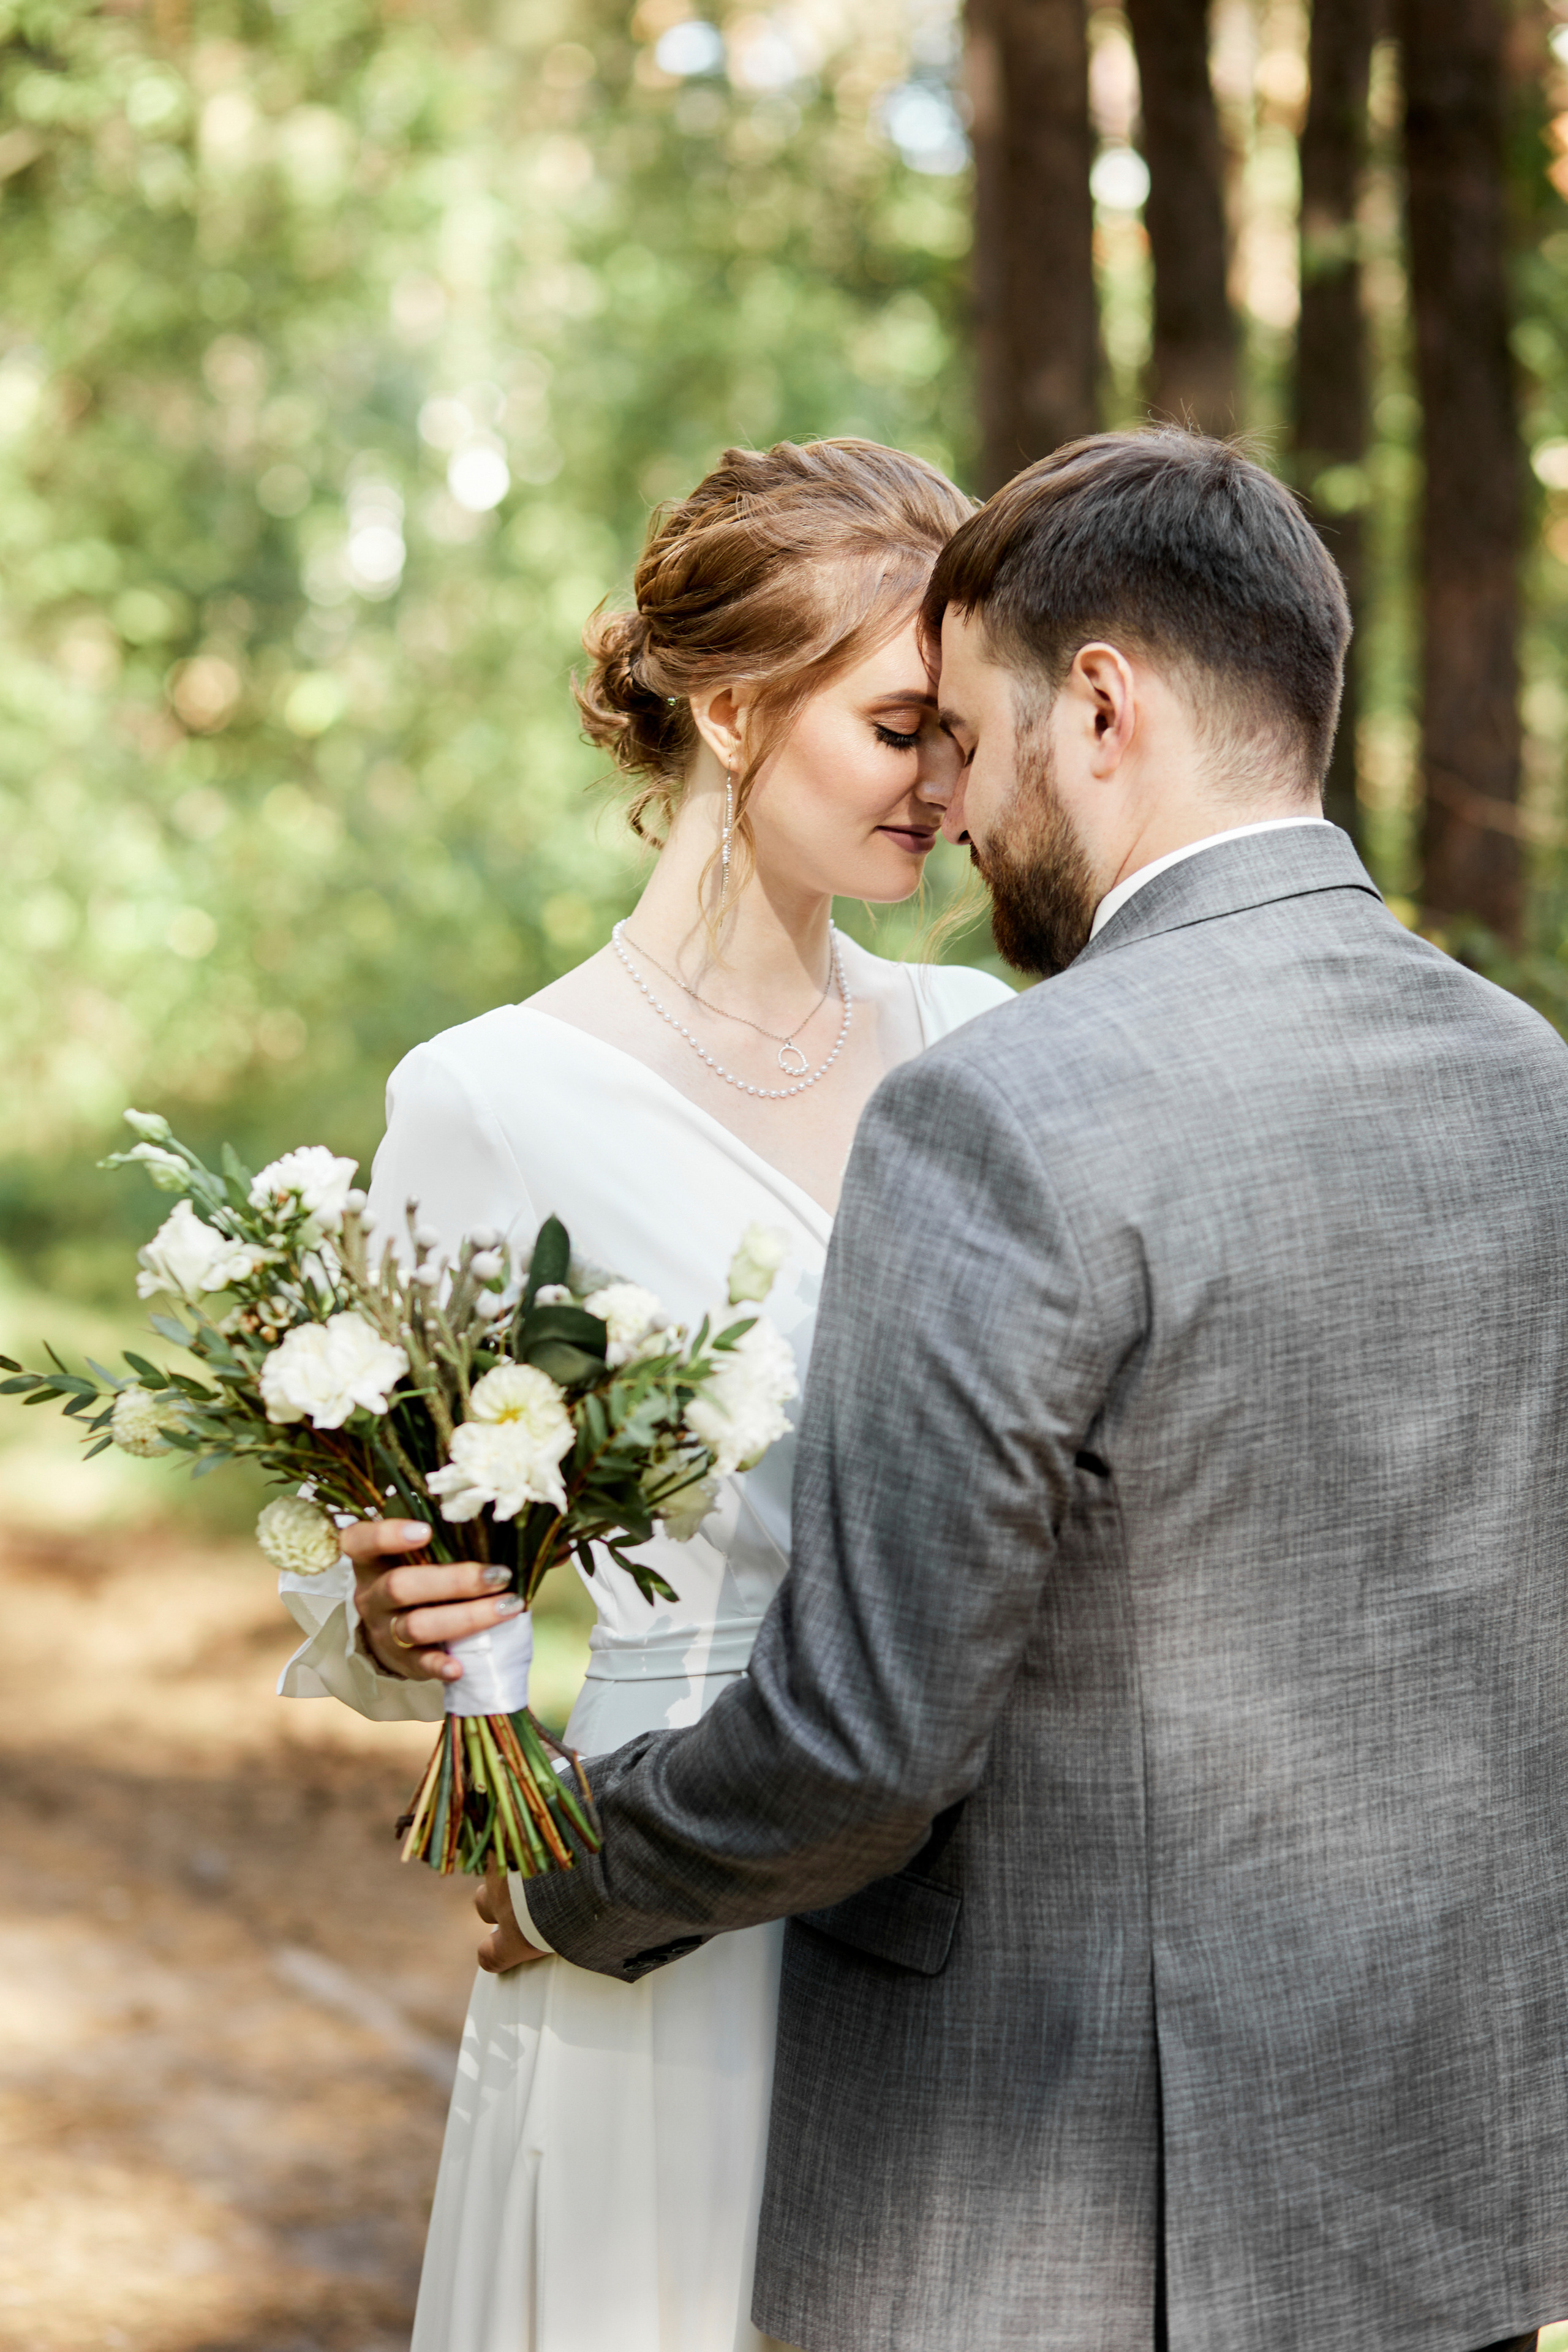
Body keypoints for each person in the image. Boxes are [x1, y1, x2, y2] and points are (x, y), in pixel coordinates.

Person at [505, 431, 1568, 2352]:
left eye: (975, 738)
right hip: (1455, 2183)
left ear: (1101, 706)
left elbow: (863, 1748)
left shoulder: (1000, 1108)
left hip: (1080, 2232)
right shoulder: (1526, 1075)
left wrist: (576, 1877)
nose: (963, 810)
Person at [274, 435, 1014, 2352]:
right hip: (665, 1888)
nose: (947, 789)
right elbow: (375, 1563)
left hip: (990, 1885)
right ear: (733, 705)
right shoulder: (495, 1095)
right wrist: (378, 1604)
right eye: (902, 728)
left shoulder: (989, 1049)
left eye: (965, 735)